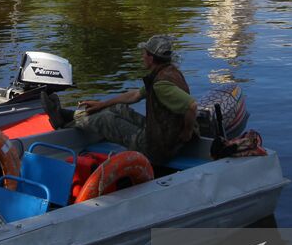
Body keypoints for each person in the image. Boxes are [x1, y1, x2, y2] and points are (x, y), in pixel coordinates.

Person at [42, 35, 197, 167]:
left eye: (144, 53)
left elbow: (191, 106)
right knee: (118, 109)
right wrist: (102, 104)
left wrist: (187, 132)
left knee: (106, 120)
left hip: (157, 149)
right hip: (162, 136)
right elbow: (135, 95)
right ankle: (69, 116)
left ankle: (63, 121)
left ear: (151, 57)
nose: (142, 57)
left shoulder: (161, 84)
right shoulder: (168, 73)